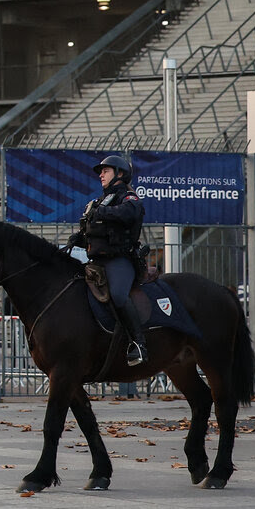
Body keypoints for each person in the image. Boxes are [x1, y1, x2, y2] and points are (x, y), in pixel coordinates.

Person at [66, 154, 147, 366]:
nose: (101, 174)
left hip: (119, 260)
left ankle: (138, 344)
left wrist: (101, 211)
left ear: (120, 174)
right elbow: (96, 233)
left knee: (119, 295)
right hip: (97, 261)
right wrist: (79, 239)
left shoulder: (128, 198)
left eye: (106, 170)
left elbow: (130, 213)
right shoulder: (99, 201)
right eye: (100, 172)